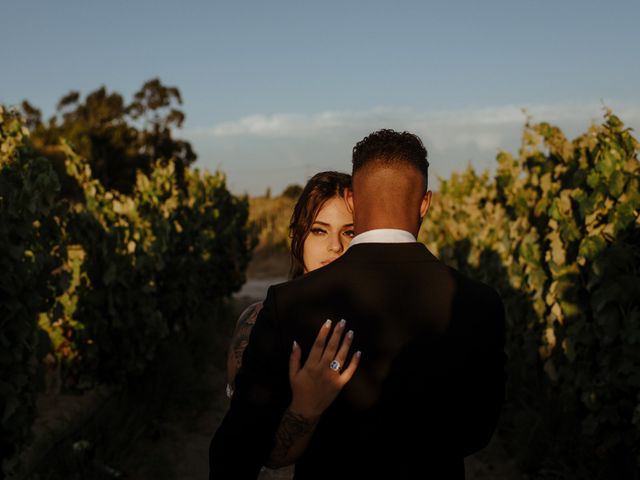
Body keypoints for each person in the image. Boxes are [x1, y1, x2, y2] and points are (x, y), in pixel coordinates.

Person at [210, 129, 507, 479]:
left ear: (352, 200)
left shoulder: (288, 304)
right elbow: (476, 433)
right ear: (425, 202)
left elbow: (234, 454)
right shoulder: (481, 303)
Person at [225, 171, 361, 479]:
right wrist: (306, 406)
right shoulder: (258, 322)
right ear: (298, 237)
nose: (335, 247)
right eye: (319, 231)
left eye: (350, 232)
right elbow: (248, 451)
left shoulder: (380, 322)